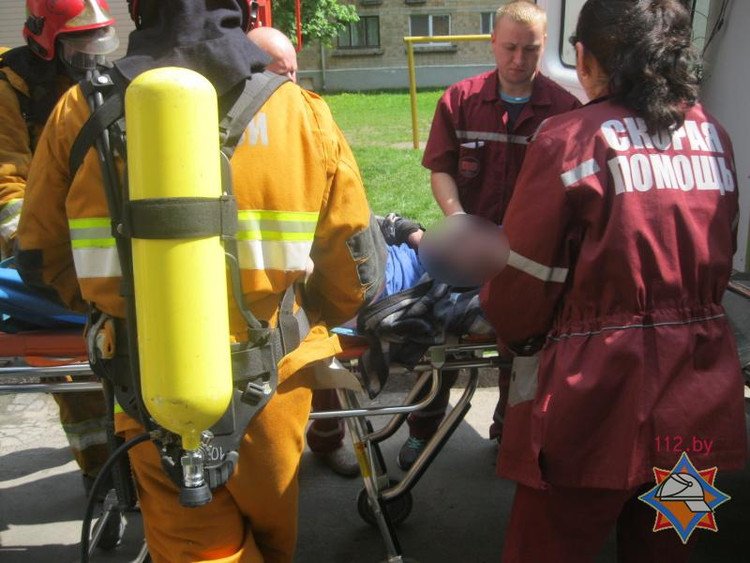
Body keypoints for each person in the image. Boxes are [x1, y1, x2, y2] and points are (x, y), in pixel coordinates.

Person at [16, 1, 385, 561]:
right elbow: (353, 268)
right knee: (272, 542)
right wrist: (309, 315)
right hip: (272, 380)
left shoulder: (80, 109)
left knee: (196, 548)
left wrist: (112, 310)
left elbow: (41, 257)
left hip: (146, 383)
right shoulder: (299, 111)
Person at [480, 1, 747, 561]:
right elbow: (721, 248)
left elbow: (521, 286)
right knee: (671, 546)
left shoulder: (568, 140)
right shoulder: (714, 136)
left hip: (590, 405)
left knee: (547, 548)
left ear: (585, 57)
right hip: (696, 399)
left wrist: (512, 332)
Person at [401, 0, 581, 470]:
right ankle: (422, 426)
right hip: (464, 249)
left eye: (531, 49)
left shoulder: (565, 110)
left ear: (544, 46)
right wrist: (459, 219)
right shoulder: (460, 100)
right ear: (492, 43)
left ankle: (507, 429)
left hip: (528, 257)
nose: (519, 60)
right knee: (434, 333)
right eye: (510, 48)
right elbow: (441, 169)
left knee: (521, 342)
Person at [1, 0, 119, 497]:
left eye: (98, 41)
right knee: (70, 372)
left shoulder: (106, 81)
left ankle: (133, 457)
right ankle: (101, 471)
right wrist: (34, 244)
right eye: (79, 44)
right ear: (45, 41)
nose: (92, 55)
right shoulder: (11, 88)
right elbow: (7, 180)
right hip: (35, 248)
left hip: (95, 242)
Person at [247, 24, 361, 478]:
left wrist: (335, 299)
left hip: (305, 278)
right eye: (281, 73)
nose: (292, 83)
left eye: (295, 72)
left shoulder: (305, 118)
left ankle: (327, 439)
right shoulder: (239, 125)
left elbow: (342, 215)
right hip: (260, 288)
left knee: (315, 344)